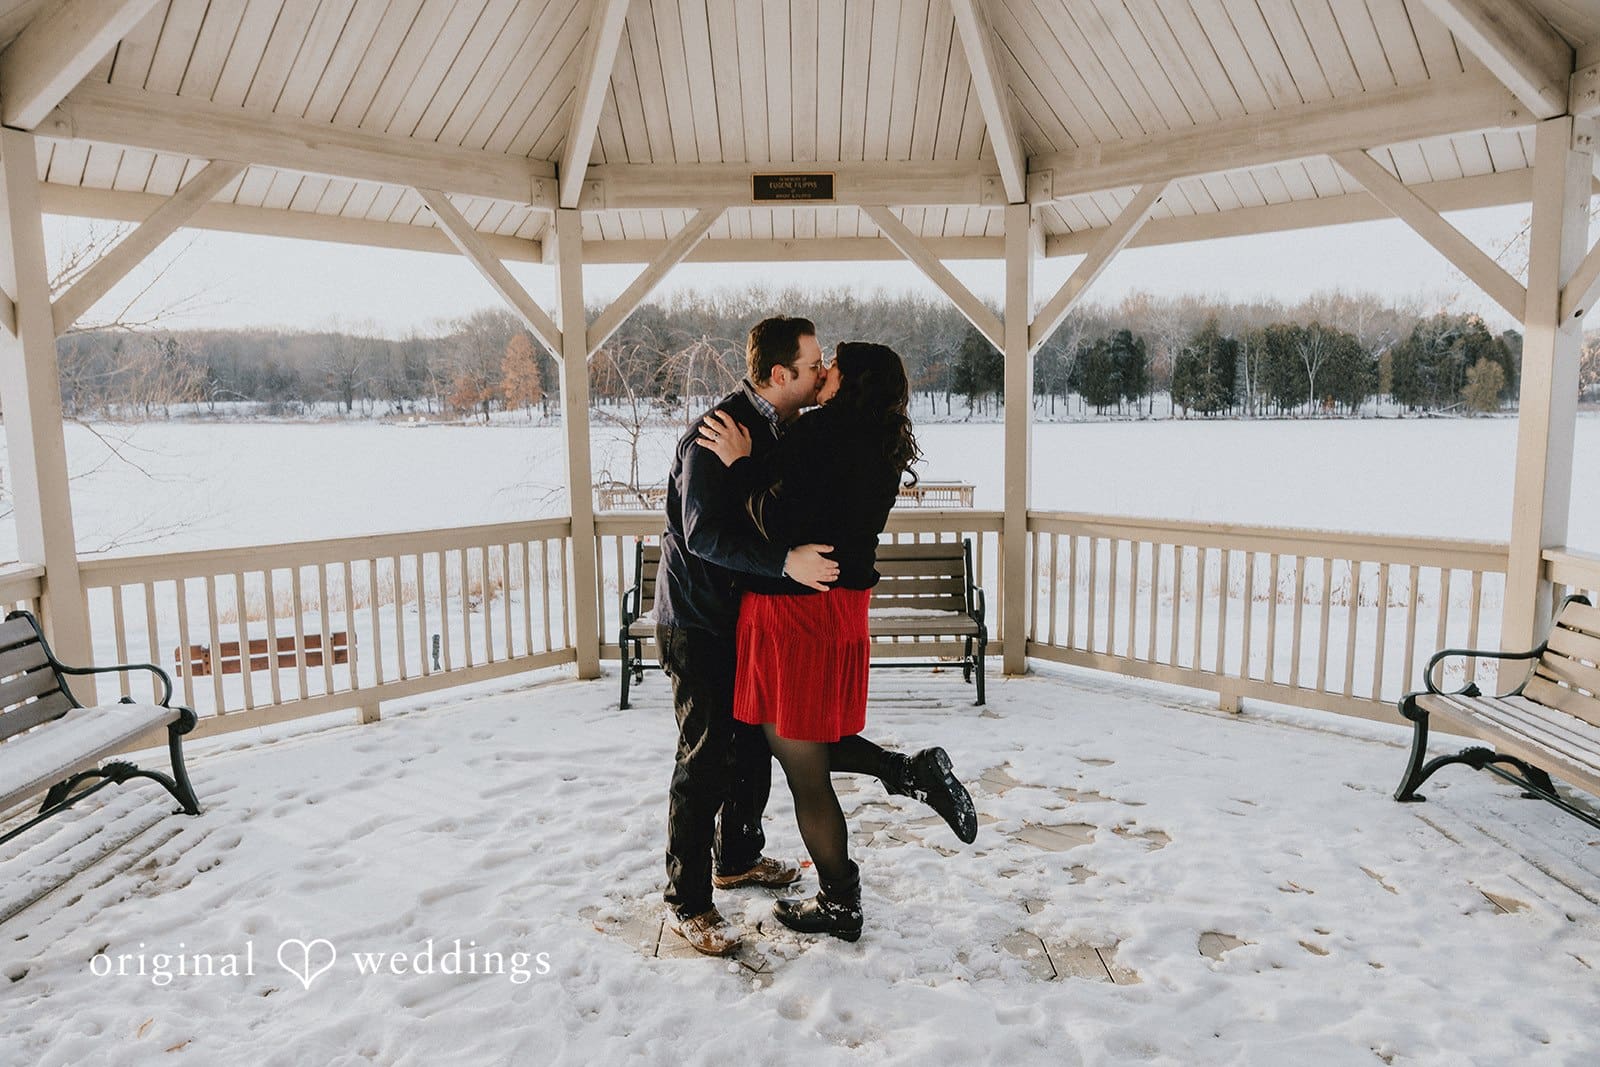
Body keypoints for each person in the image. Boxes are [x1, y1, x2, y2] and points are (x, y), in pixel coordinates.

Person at [698, 342, 977, 943]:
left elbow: (773, 519)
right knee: (806, 737)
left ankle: (841, 900)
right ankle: (906, 771)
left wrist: (742, 463)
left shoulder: (821, 434)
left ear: (849, 382)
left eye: (833, 366)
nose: (823, 373)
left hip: (794, 611)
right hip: (842, 609)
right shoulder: (882, 439)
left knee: (803, 766)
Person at [655, 316, 841, 958]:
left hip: (745, 623)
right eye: (814, 365)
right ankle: (689, 901)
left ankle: (737, 857)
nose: (822, 372)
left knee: (753, 748)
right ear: (780, 375)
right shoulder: (718, 431)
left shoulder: (776, 429)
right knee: (704, 758)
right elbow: (703, 534)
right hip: (699, 621)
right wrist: (785, 563)